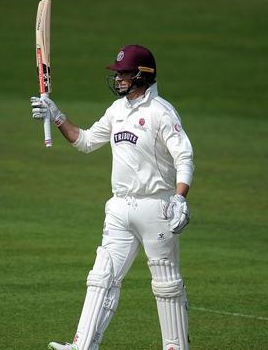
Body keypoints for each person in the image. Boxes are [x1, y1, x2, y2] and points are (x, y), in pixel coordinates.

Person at [30, 44, 194, 350]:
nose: (118, 78)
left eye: (125, 73)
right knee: (101, 276)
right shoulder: (117, 111)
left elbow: (184, 157)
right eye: (117, 73)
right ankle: (83, 346)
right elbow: (88, 140)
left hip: (156, 206)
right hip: (119, 207)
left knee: (166, 284)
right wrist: (57, 116)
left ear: (143, 75)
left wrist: (180, 197)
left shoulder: (161, 112)